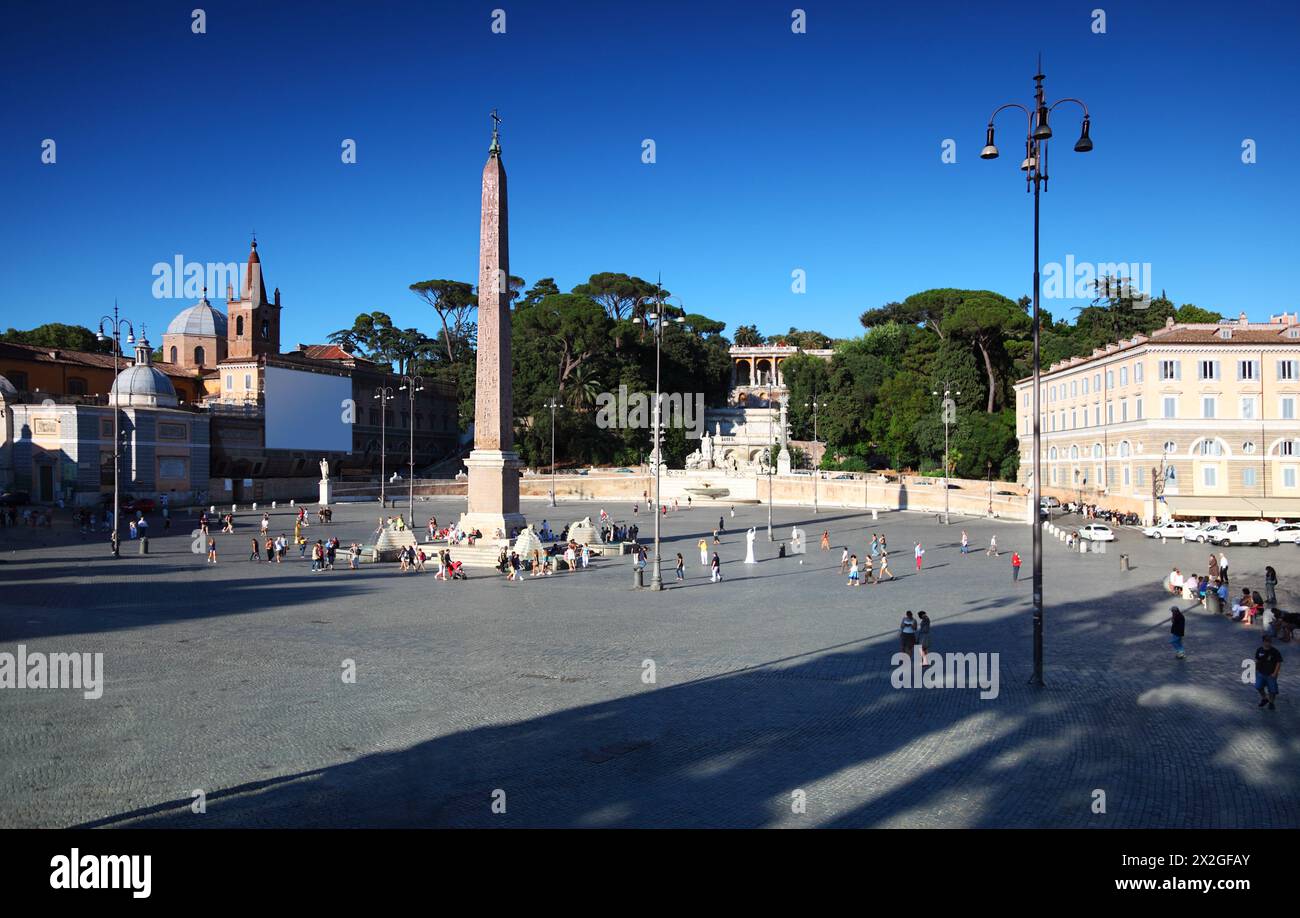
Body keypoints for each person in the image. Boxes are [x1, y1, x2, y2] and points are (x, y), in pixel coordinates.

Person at [1254, 635, 1283, 709]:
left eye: (1270, 641)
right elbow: (1257, 660)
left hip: (1271, 674)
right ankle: (1265, 698)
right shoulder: (1259, 650)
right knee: (1258, 686)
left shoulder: (1275, 651)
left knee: (1272, 691)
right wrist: (1256, 670)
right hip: (1261, 673)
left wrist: (1275, 673)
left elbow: (1279, 662)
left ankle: (1271, 702)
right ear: (1263, 642)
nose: (1268, 643)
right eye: (1267, 641)